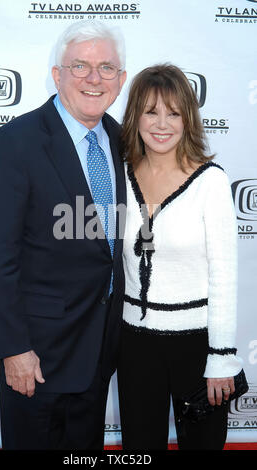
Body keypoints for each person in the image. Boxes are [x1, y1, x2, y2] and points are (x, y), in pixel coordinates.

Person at [0, 20, 127, 450]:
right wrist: (12, 349)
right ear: (57, 75)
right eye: (80, 66)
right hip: (36, 360)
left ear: (121, 80)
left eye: (106, 68)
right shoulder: (15, 143)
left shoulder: (123, 141)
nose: (94, 79)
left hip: (98, 354)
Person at [117, 64, 243, 450]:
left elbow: (224, 276)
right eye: (151, 111)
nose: (162, 123)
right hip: (133, 343)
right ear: (135, 115)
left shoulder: (211, 181)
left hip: (197, 345)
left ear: (188, 118)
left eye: (174, 112)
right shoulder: (118, 175)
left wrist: (220, 357)